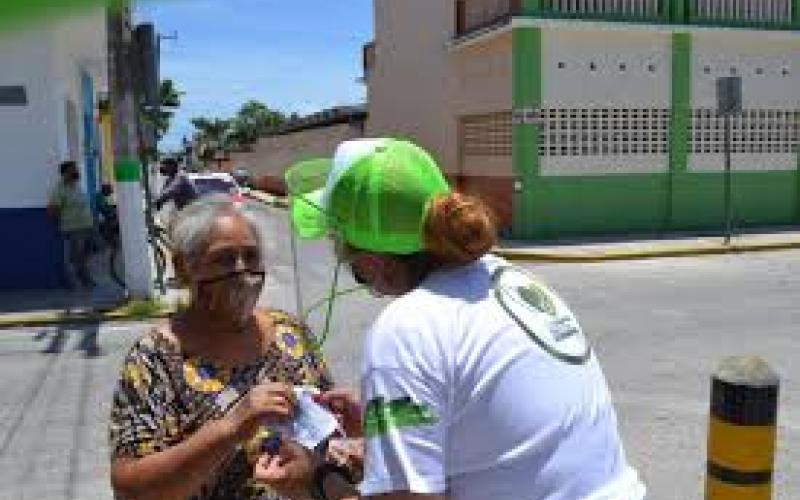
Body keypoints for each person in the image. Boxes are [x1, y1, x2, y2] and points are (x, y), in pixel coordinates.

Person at [255, 139, 647, 500]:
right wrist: (386, 425)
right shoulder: (508, 279)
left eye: (352, 262)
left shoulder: (406, 328)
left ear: (377, 263)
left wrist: (318, 483)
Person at [108, 196, 354, 499]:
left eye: (251, 257)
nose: (243, 271)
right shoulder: (154, 359)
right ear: (185, 269)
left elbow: (331, 429)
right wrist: (230, 429)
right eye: (224, 259)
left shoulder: (290, 332)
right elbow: (130, 487)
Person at [47, 160, 96, 288]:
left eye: (76, 168)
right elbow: (52, 209)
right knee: (76, 257)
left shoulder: (77, 186)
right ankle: (81, 281)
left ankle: (84, 276)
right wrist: (60, 225)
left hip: (87, 226)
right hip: (73, 229)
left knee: (89, 252)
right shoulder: (59, 190)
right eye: (73, 169)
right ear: (65, 173)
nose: (76, 171)